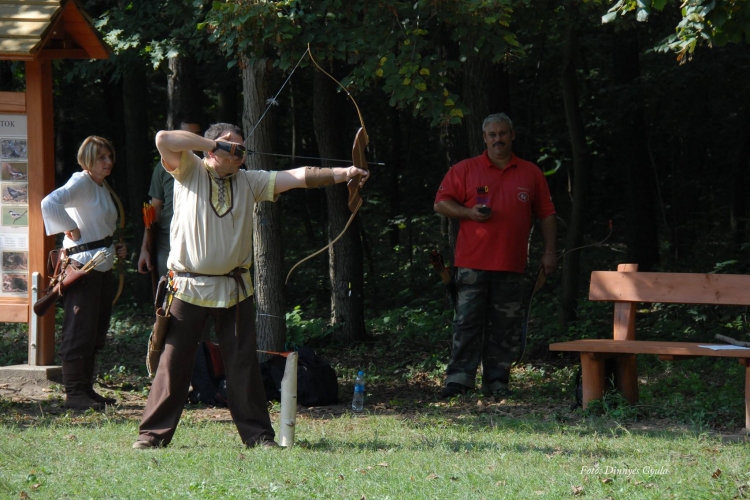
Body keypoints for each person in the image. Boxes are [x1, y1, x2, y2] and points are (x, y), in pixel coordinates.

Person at [133, 123, 369, 449]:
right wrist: (213, 143)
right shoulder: (190, 169)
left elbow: (298, 176)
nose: (237, 151)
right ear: (209, 149)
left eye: (241, 147)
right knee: (173, 364)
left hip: (235, 289)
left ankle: (258, 436)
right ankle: (151, 437)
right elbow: (163, 139)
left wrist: (346, 174)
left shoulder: (249, 181)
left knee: (243, 365)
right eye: (230, 145)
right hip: (188, 287)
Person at [434, 113, 557, 399]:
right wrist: (468, 213)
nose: (498, 139)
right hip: (471, 263)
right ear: (484, 138)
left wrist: (550, 252)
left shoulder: (530, 172)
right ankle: (459, 381)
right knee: (466, 322)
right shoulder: (466, 169)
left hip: (511, 264)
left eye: (503, 133)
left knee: (505, 327)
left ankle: (497, 382)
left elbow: (547, 215)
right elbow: (440, 204)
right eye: (492, 134)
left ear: (512, 135)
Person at [41, 136, 128, 410]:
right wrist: (69, 226)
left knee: (94, 330)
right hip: (83, 268)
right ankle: (74, 392)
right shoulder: (81, 181)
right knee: (79, 330)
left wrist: (115, 246)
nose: (108, 162)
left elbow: (100, 227)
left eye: (109, 156)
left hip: (100, 265)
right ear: (88, 159)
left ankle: (85, 390)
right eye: (101, 157)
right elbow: (49, 203)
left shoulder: (100, 186)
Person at [138, 117, 202, 281]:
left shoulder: (209, 166)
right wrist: (145, 249)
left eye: (196, 135)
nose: (192, 141)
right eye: (186, 135)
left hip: (202, 243)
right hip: (168, 244)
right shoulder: (162, 167)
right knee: (167, 297)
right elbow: (154, 210)